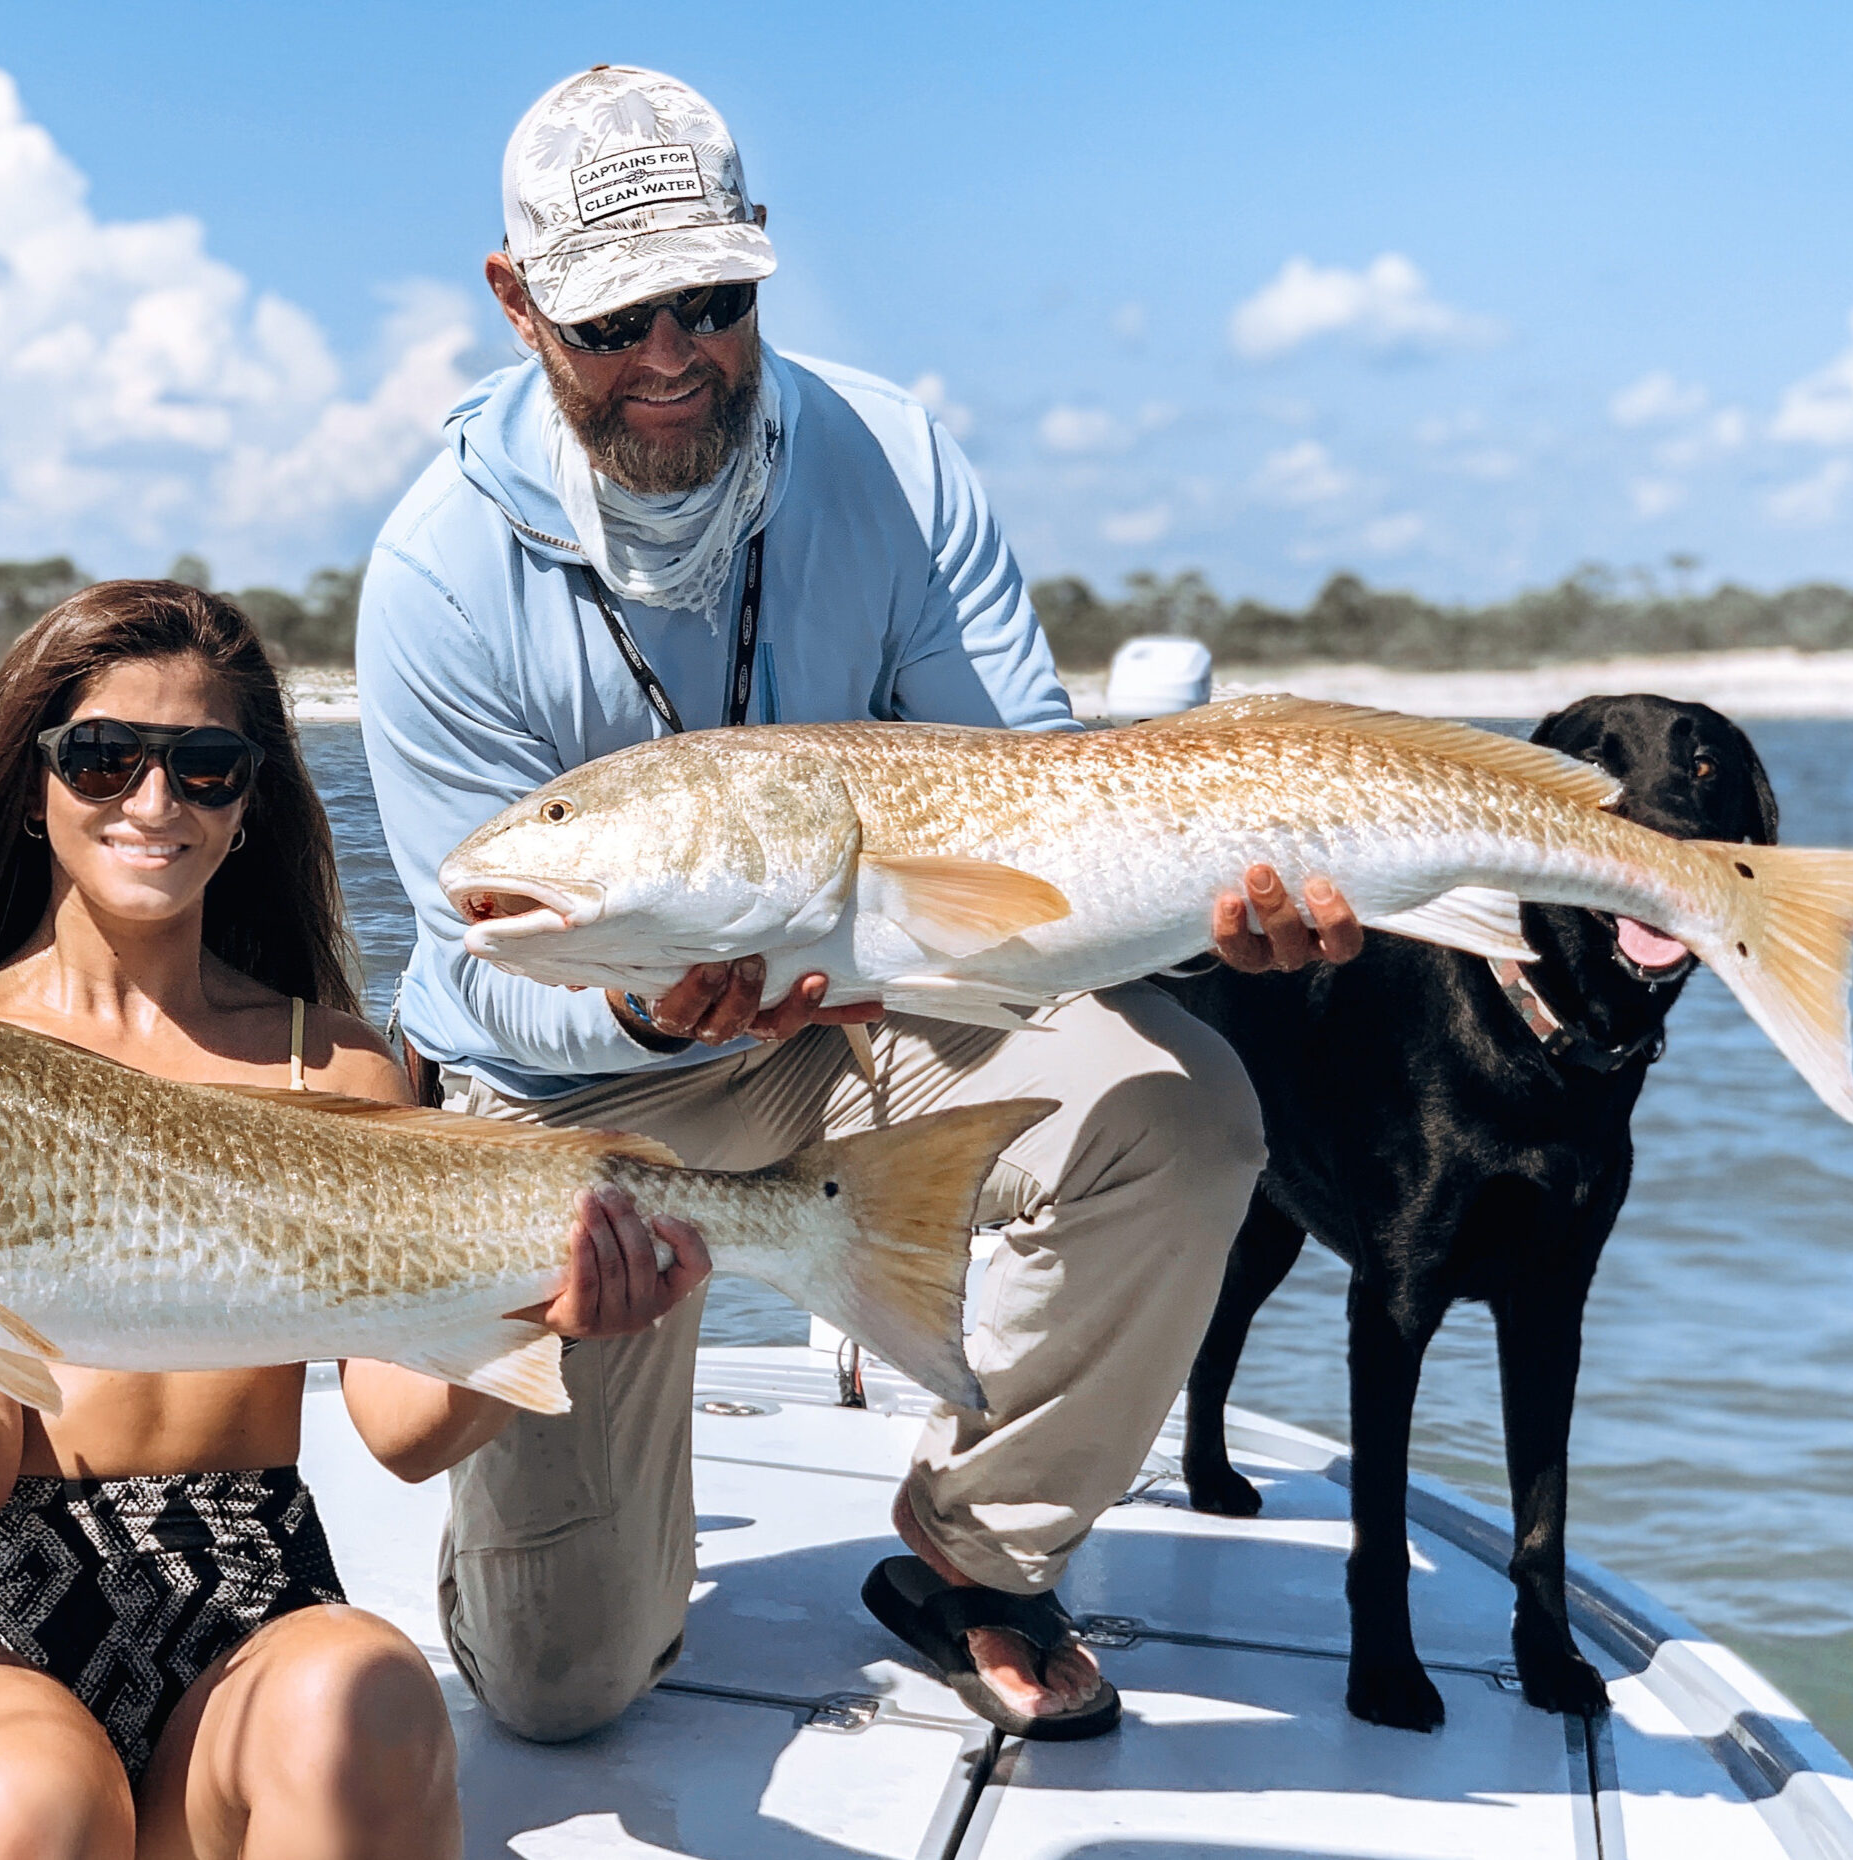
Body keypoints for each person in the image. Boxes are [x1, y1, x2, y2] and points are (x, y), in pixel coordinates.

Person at [357, 66, 1362, 1743]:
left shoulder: (893, 461)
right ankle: (541, 1536)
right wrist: (639, 1005)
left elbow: (1041, 821)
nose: (672, 355)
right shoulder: (438, 575)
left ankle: (976, 1546)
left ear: (762, 262)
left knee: (1178, 1111)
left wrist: (1212, 925)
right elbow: (478, 964)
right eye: (612, 322)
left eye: (712, 301)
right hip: (577, 1096)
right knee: (561, 1693)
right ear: (517, 305)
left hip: (862, 1015)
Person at [0, 580, 707, 1859]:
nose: (153, 802)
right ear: (35, 785)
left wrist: (548, 1318)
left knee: (364, 1695)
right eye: (102, 757)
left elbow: (402, 1431)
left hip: (257, 1601)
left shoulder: (337, 1067)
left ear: (246, 800)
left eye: (204, 765)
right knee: (20, 1806)